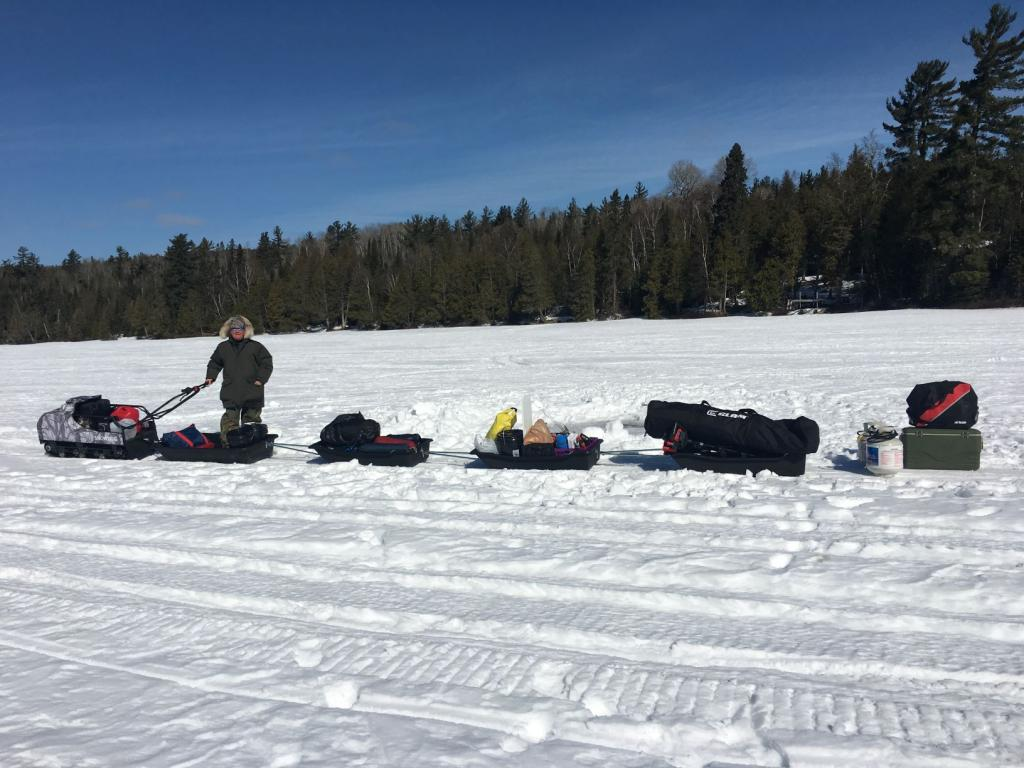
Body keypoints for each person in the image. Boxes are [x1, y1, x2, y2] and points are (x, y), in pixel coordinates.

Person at [205, 315, 273, 443]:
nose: (237, 331)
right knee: (230, 420)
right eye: (234, 328)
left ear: (245, 330)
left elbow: (266, 364)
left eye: (240, 328)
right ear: (229, 331)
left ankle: (253, 444)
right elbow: (215, 363)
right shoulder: (223, 347)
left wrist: (260, 379)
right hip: (231, 389)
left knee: (252, 419)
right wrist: (210, 376)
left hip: (253, 388)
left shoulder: (256, 347)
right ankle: (228, 444)